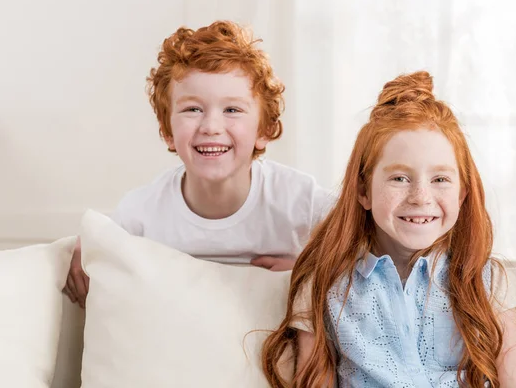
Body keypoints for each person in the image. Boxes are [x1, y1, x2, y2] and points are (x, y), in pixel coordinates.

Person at [262, 71, 516, 387]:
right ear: (363, 191)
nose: (420, 197)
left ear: (461, 193)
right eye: (399, 178)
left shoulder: (486, 280)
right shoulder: (324, 284)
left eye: (440, 179)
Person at [63, 20, 333, 308]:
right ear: (168, 132)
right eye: (193, 109)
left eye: (232, 109)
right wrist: (84, 250)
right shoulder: (141, 213)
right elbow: (98, 257)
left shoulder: (300, 201)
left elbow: (369, 242)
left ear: (264, 130)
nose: (211, 126)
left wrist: (310, 269)